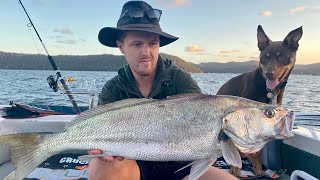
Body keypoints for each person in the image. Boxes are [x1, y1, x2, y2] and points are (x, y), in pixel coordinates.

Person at [88, 1, 238, 180]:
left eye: (152, 43)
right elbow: (95, 131)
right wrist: (97, 148)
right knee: (100, 168)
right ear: (121, 47)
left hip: (181, 168)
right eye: (137, 44)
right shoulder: (113, 89)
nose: (146, 52)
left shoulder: (181, 80)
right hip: (132, 165)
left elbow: (206, 121)